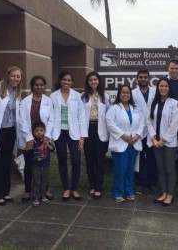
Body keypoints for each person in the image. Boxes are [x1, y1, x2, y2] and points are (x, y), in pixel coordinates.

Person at [0, 66, 22, 206]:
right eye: (13, 76)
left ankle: (5, 192)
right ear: (7, 76)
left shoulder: (16, 92)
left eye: (18, 77)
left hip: (10, 131)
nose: (15, 79)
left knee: (7, 162)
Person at [51, 70, 87, 201]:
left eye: (69, 80)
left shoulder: (77, 96)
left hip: (74, 133)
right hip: (59, 132)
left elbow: (82, 116)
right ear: (60, 80)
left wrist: (82, 136)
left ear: (72, 82)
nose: (67, 82)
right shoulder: (53, 96)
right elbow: (50, 116)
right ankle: (66, 188)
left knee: (76, 160)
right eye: (64, 79)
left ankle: (74, 188)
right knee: (61, 159)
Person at [106, 84, 144, 202]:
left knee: (130, 168)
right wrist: (123, 135)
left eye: (127, 92)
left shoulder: (136, 107)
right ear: (119, 94)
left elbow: (142, 122)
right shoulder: (114, 108)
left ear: (130, 94)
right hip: (120, 143)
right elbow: (110, 123)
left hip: (133, 143)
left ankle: (129, 191)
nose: (125, 94)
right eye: (123, 92)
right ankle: (118, 192)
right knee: (120, 169)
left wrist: (137, 135)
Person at [19, 75, 54, 202]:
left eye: (41, 84)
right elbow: (22, 120)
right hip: (29, 139)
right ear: (32, 86)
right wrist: (28, 137)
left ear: (44, 86)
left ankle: (45, 190)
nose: (39, 87)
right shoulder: (25, 101)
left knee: (43, 165)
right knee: (29, 165)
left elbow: (51, 119)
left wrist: (47, 136)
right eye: (36, 84)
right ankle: (28, 191)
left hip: (43, 139)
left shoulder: (48, 101)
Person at [147, 78, 178, 206]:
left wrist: (163, 139)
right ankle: (164, 193)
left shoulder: (174, 103)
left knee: (169, 169)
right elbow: (148, 121)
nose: (163, 88)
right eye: (161, 86)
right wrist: (153, 138)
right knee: (160, 169)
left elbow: (175, 124)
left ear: (169, 88)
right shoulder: (153, 102)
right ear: (158, 87)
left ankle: (170, 194)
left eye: (166, 86)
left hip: (169, 143)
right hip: (156, 142)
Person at [81, 71, 111, 200]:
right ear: (88, 82)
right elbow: (80, 115)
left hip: (101, 130)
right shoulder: (83, 96)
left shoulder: (105, 96)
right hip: (87, 130)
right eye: (90, 80)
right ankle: (92, 185)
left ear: (99, 81)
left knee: (99, 160)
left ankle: (98, 187)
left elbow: (109, 115)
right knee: (89, 160)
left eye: (95, 79)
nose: (93, 82)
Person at [132, 70, 157, 194]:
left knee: (152, 159)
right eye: (140, 77)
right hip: (138, 131)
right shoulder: (132, 93)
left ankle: (152, 183)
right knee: (139, 158)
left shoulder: (155, 91)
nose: (143, 79)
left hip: (152, 130)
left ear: (149, 78)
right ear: (137, 79)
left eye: (145, 77)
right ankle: (139, 183)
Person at [27, 121, 54, 207]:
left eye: (41, 130)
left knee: (44, 181)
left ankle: (43, 195)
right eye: (37, 131)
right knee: (36, 181)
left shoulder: (46, 140)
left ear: (44, 131)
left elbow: (52, 148)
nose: (39, 132)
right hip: (35, 165)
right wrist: (28, 148)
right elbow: (28, 152)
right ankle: (35, 197)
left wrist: (50, 147)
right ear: (33, 132)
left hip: (45, 164)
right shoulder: (33, 141)